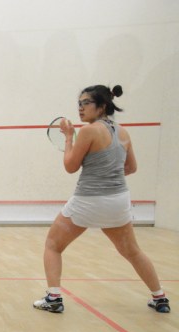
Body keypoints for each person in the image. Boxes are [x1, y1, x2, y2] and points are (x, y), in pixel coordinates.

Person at [33, 85, 170, 314]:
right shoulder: (123, 132)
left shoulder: (88, 131)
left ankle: (54, 298)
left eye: (86, 103)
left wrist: (68, 137)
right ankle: (160, 298)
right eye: (79, 103)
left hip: (88, 201)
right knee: (132, 251)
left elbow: (70, 166)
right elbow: (131, 167)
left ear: (102, 106)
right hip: (118, 202)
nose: (80, 108)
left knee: (53, 245)